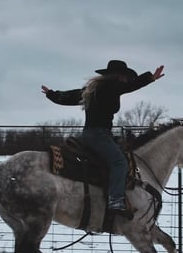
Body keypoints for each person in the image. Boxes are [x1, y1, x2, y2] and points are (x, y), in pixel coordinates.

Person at [41, 60, 165, 217]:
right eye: (125, 76)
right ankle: (115, 200)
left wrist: (52, 94)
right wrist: (149, 78)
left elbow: (70, 97)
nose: (127, 80)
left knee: (115, 159)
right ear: (119, 76)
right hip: (98, 135)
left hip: (94, 134)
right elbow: (130, 86)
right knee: (120, 163)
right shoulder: (110, 86)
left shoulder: (93, 89)